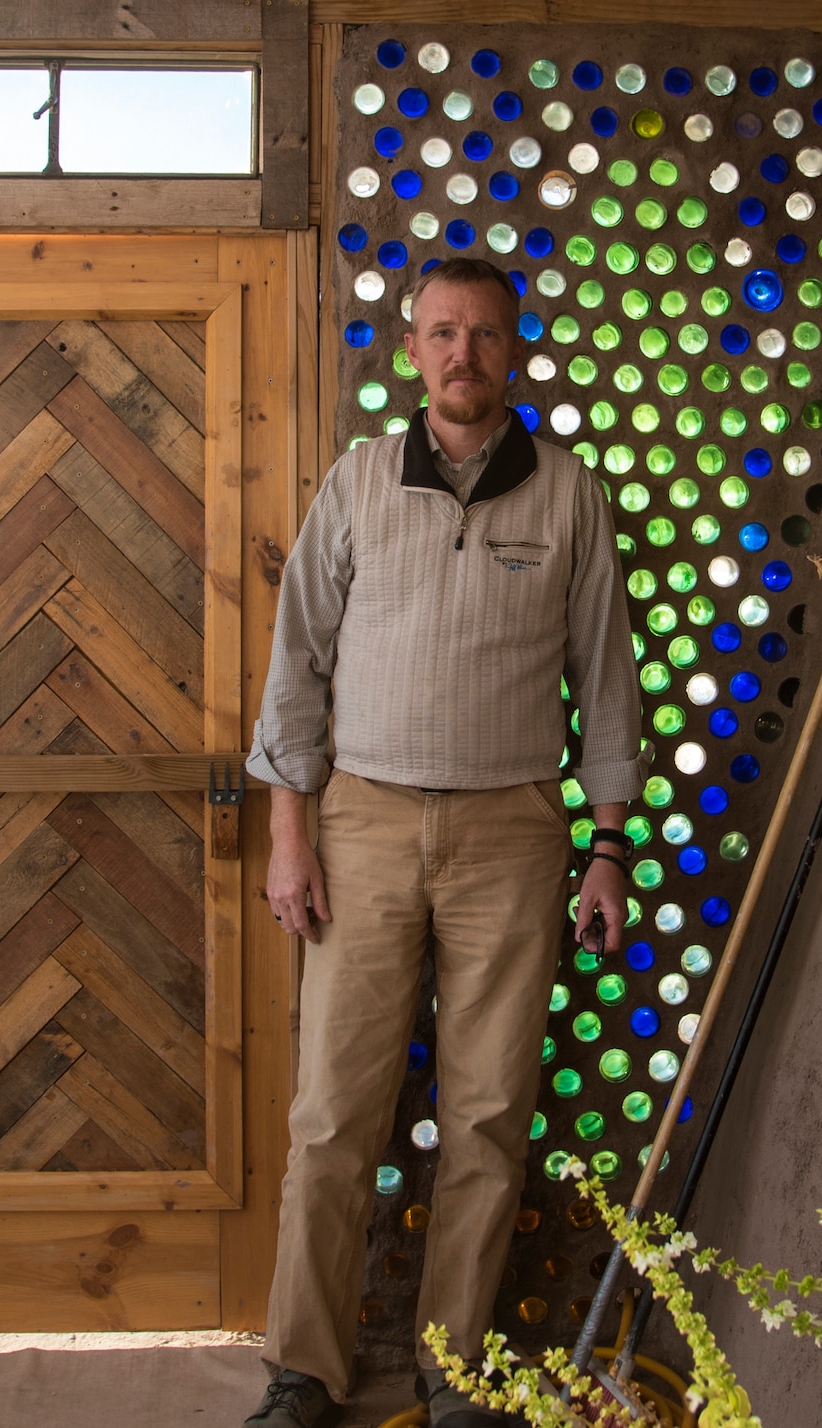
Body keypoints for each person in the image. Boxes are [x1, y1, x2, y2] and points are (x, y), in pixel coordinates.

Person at [241, 257, 646, 1428]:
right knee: (330, 1116)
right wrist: (289, 833)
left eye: (479, 335)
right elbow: (296, 667)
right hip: (358, 824)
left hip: (513, 834)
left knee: (483, 1116)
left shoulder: (566, 496)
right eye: (437, 334)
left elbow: (606, 691)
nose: (458, 354)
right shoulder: (360, 483)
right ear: (411, 352)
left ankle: (452, 1371)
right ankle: (302, 1371)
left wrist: (607, 849)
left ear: (510, 352)